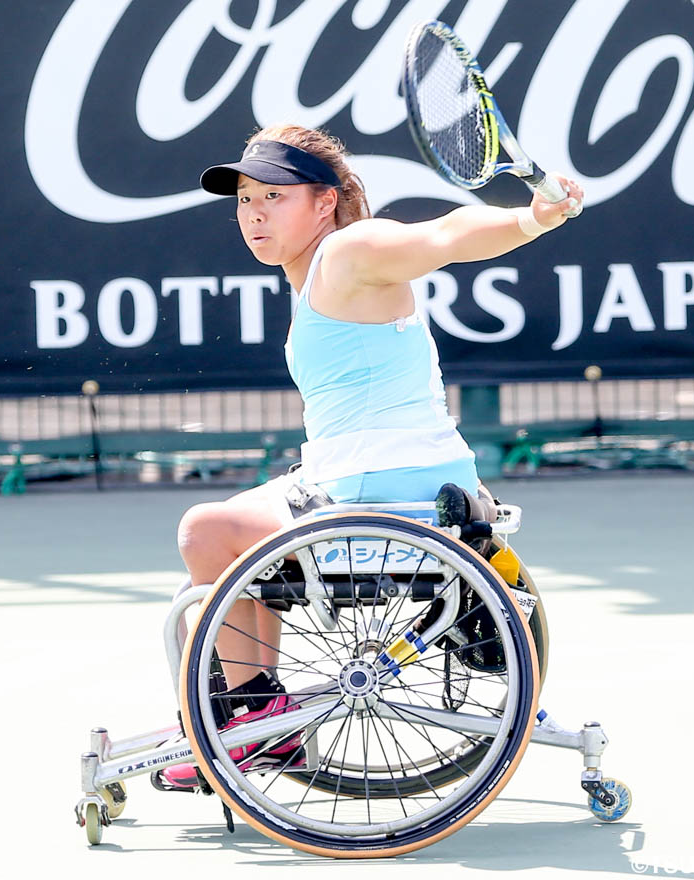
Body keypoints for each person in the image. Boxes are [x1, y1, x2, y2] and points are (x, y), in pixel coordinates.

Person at [154, 124, 583, 790]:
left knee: (204, 533)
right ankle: (243, 714)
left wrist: (531, 219)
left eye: (274, 196)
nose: (255, 213)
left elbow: (440, 237)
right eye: (245, 199)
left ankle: (258, 718)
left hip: (388, 495)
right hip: (371, 482)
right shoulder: (317, 274)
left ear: (325, 202)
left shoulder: (349, 252)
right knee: (217, 549)